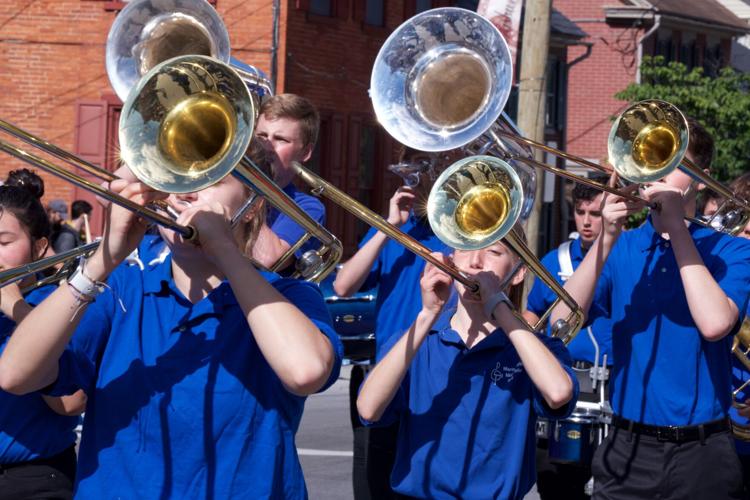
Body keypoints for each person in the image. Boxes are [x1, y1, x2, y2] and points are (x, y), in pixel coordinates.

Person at [0, 144, 343, 497]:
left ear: (253, 203)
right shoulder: (122, 287)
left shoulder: (288, 295)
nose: (187, 190)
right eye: (176, 175)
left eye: (212, 177)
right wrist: (104, 259)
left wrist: (223, 249)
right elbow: (16, 374)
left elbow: (306, 371)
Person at [550, 118, 750, 499]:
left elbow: (714, 324)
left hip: (703, 453)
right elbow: (561, 320)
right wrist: (606, 239)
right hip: (627, 445)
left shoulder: (731, 249)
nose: (656, 174)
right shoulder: (622, 247)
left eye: (673, 163)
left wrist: (676, 228)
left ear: (701, 179)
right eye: (653, 160)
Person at [356, 229, 579, 499]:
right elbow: (368, 409)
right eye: (464, 249)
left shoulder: (535, 349)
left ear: (519, 272)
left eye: (493, 252)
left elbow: (558, 393)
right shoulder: (417, 339)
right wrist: (428, 314)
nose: (475, 262)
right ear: (451, 261)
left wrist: (499, 305)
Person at [333, 146, 453, 500]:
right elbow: (343, 285)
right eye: (414, 165)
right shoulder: (392, 229)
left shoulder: (463, 230)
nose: (419, 175)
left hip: (443, 369)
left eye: (429, 165)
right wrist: (388, 226)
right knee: (377, 482)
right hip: (391, 370)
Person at [0, 169, 86, 500]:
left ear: (39, 248)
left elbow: (70, 402)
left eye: (4, 242)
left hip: (34, 480)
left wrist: (16, 309)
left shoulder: (57, 306)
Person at [524, 177, 612, 500]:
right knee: (555, 485)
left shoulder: (623, 257)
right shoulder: (554, 261)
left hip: (610, 391)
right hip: (558, 387)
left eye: (596, 213)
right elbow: (533, 312)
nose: (587, 222)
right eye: (580, 211)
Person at [252, 93, 325, 271]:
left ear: (305, 152)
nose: (266, 146)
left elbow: (267, 260)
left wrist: (250, 188)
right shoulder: (223, 187)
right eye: (261, 136)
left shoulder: (306, 208)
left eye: (280, 139)